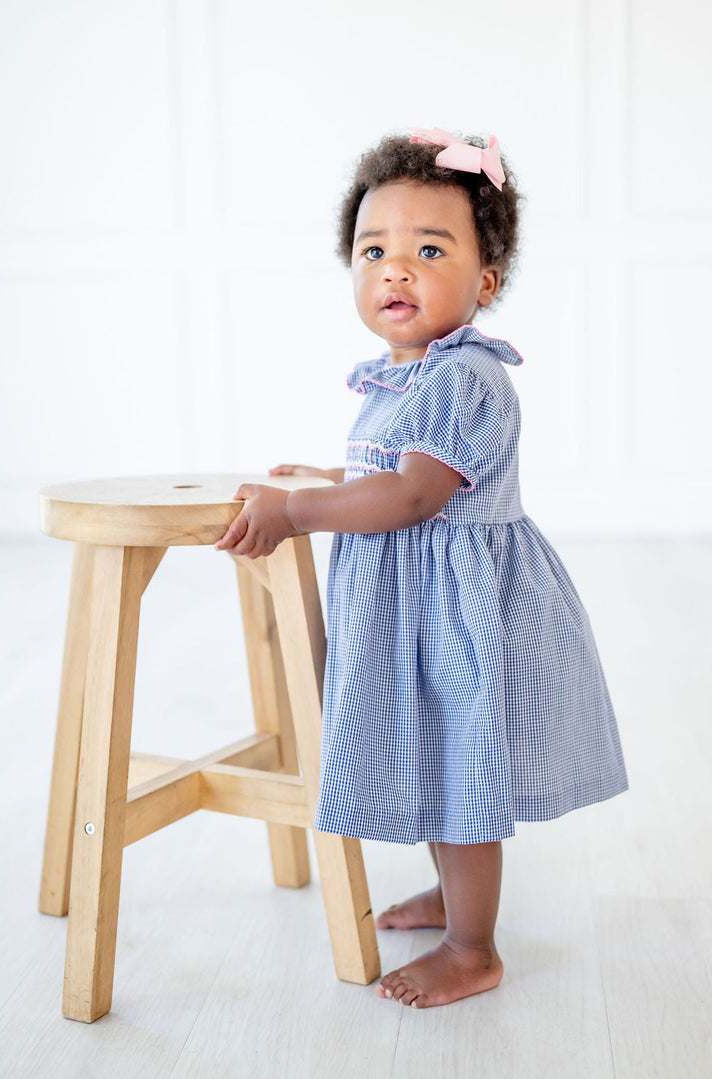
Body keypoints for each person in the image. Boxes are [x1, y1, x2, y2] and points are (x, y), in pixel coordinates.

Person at [215, 127, 628, 1009]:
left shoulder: (465, 377)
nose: (395, 269)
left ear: (487, 280)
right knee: (440, 762)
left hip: (458, 613)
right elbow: (385, 478)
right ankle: (452, 897)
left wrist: (297, 514)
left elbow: (411, 499)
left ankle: (474, 946)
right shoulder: (403, 378)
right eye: (375, 250)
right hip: (419, 610)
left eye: (428, 249)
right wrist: (326, 482)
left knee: (463, 769)